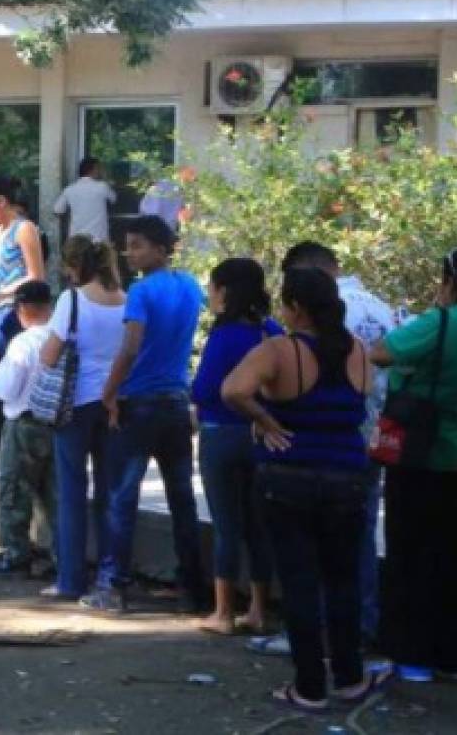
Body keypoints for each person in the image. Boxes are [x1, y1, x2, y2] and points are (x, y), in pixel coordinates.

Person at [222, 267, 386, 712]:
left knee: (299, 582)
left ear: (294, 307)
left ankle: (309, 686)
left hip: (289, 476)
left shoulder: (281, 349)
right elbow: (366, 401)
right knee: (342, 580)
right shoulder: (358, 351)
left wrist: (267, 421)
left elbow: (233, 389)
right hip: (347, 476)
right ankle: (349, 677)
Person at [257, 240, 397, 655]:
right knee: (359, 543)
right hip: (365, 438)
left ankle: (312, 637)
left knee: (312, 554)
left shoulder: (325, 319)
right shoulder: (379, 306)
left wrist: (268, 419)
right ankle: (357, 633)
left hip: (318, 445)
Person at [370, 248, 457, 683]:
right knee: (450, 557)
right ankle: (450, 655)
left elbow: (380, 353)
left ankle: (411, 656)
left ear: (451, 282)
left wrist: (433, 315)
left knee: (408, 555)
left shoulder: (440, 323)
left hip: (416, 452)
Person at [88, 215, 205, 614]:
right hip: (175, 400)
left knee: (122, 496)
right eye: (128, 245)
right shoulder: (190, 286)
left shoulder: (140, 292)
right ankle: (193, 588)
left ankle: (112, 586)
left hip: (138, 402)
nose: (130, 252)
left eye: (137, 245)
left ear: (160, 247)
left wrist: (110, 391)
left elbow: (132, 347)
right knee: (182, 498)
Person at [191, 258, 279, 635]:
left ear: (224, 290)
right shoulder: (270, 331)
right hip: (261, 435)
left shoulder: (224, 335)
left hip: (221, 433)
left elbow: (204, 389)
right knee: (259, 525)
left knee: (227, 524)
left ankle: (223, 610)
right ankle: (260, 609)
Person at [40, 236, 126, 600]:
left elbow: (48, 354)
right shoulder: (127, 301)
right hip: (116, 405)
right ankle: (109, 578)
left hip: (74, 404)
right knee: (110, 493)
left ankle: (70, 579)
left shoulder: (71, 300)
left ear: (75, 267)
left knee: (71, 493)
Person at [0, 280, 57, 576]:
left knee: (13, 489)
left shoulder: (23, 343)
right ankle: (61, 554)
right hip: (57, 423)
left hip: (23, 421)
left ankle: (16, 554)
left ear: (21, 309)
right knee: (55, 492)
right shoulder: (61, 338)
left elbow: (4, 388)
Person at [0, 175, 45, 361]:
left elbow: (36, 276)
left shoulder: (24, 228)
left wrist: (1, 293)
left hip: (14, 311)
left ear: (1, 201)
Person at [53, 157, 116, 243]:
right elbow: (113, 199)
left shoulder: (70, 189)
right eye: (99, 168)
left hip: (77, 241)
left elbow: (57, 210)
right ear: (93, 169)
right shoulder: (102, 187)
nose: (100, 171)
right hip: (98, 240)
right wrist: (105, 179)